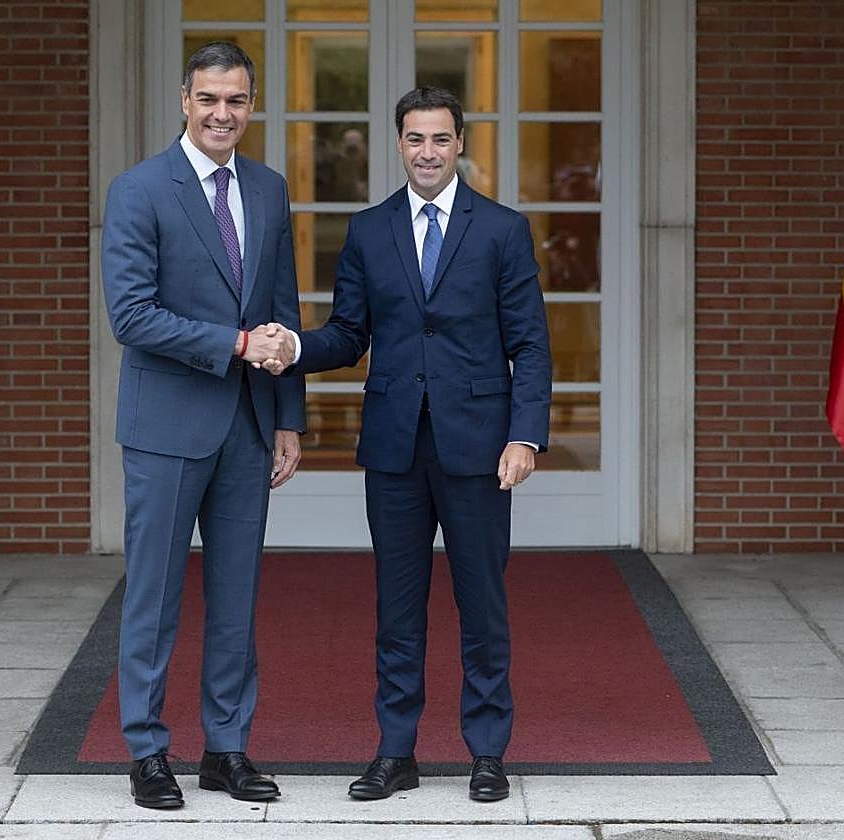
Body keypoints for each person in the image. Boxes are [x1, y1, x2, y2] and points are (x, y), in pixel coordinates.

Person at [267, 86, 551, 802]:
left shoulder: (502, 230)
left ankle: (487, 752)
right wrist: (294, 346)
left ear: (462, 145)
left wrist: (525, 435)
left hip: (480, 447)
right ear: (399, 144)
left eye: (441, 140)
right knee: (397, 610)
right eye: (415, 140)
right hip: (394, 449)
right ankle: (396, 752)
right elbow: (349, 334)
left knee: (481, 605)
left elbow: (531, 344)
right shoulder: (368, 231)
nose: (428, 152)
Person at [101, 41, 304, 810]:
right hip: (165, 427)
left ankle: (226, 749)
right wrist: (236, 344)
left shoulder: (269, 188)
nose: (224, 113)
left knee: (237, 595)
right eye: (210, 99)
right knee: (152, 596)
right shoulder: (140, 190)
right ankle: (148, 752)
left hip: (251, 426)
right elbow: (131, 314)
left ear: (251, 105)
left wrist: (288, 416)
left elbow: (279, 306)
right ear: (184, 101)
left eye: (238, 101)